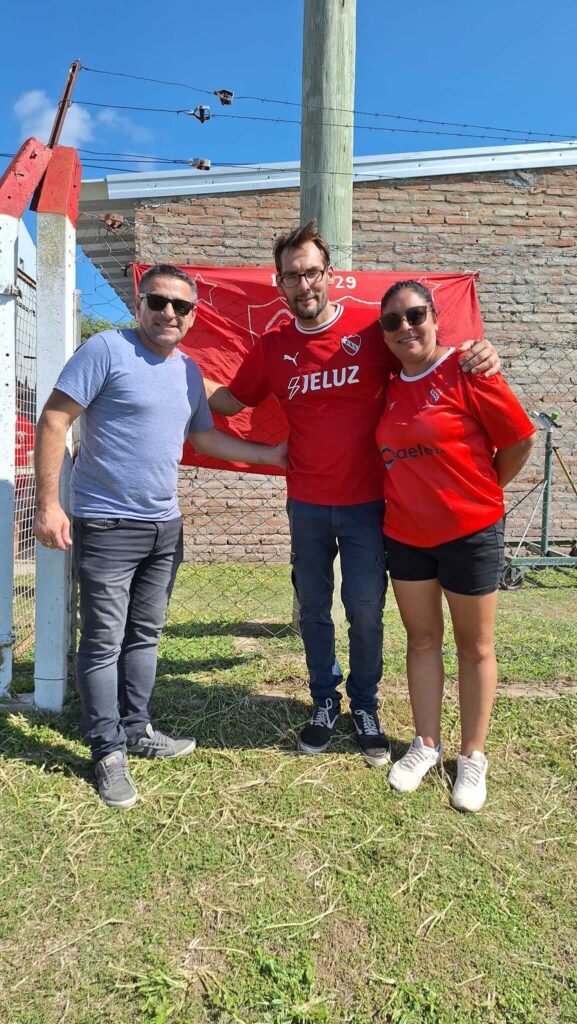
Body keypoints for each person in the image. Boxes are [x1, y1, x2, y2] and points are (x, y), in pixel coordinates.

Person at [205, 222, 500, 766]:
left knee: (365, 609)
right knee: (314, 608)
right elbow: (227, 402)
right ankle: (323, 702)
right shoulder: (272, 348)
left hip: (371, 504)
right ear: (280, 285)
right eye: (292, 276)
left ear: (330, 275)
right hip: (308, 504)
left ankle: (364, 707)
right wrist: (172, 370)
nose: (303, 284)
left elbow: (425, 359)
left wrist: (475, 354)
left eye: (311, 272)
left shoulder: (373, 331)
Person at [33, 264, 287, 810]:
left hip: (164, 527)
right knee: (103, 641)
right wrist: (50, 505)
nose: (168, 312)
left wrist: (271, 456)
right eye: (158, 301)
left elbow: (208, 438)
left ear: (193, 316)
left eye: (181, 306)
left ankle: (137, 729)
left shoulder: (188, 372)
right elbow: (54, 420)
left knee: (144, 637)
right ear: (140, 303)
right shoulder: (104, 351)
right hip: (105, 524)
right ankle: (106, 750)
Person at [376, 280, 535, 811]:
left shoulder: (467, 368)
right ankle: (425, 744)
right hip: (406, 536)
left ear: (436, 317)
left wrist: (483, 492)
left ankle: (472, 756)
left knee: (476, 647)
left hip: (470, 533)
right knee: (422, 640)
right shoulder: (388, 385)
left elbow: (518, 440)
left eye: (415, 315)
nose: (405, 328)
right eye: (392, 321)